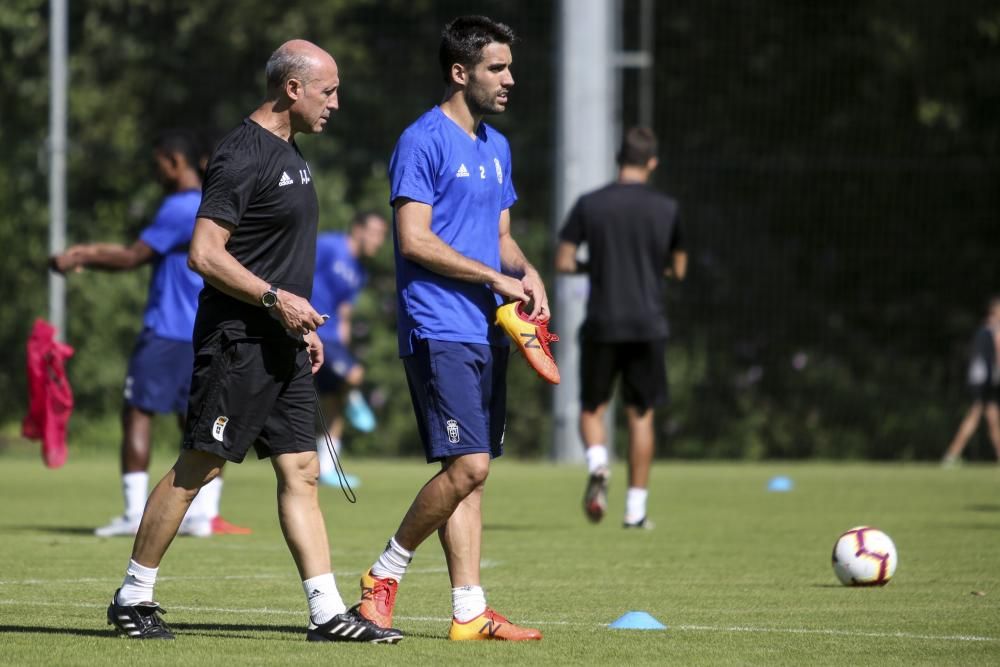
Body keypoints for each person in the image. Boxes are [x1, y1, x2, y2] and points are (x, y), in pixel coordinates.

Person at [104, 39, 402, 644]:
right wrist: (274, 300)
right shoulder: (243, 154)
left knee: (301, 470)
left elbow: (277, 254)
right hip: (238, 342)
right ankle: (133, 596)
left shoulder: (291, 150)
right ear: (292, 89)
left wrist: (302, 325)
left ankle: (326, 613)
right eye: (329, 91)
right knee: (199, 466)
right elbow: (203, 254)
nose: (336, 104)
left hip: (282, 345)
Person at [352, 16, 547, 642]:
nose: (510, 79)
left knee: (475, 472)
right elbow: (413, 239)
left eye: (510, 67)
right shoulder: (422, 139)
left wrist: (528, 273)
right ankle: (384, 575)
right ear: (461, 72)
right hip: (439, 326)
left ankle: (469, 611)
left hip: (489, 330)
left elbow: (501, 239)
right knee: (468, 468)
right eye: (498, 68)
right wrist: (494, 280)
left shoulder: (497, 145)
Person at [50, 129, 250, 538]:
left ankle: (132, 513)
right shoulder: (215, 207)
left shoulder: (180, 207)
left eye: (159, 162)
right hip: (203, 331)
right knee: (196, 420)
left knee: (138, 411)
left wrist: (81, 255)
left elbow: (131, 257)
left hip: (166, 332)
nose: (156, 170)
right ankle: (202, 514)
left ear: (175, 162)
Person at [555, 126, 687, 529]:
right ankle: (636, 510)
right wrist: (653, 268)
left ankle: (597, 462)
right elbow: (678, 268)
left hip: (603, 321)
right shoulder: (666, 208)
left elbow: (562, 261)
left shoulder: (590, 204)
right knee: (641, 416)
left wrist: (596, 266)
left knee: (592, 408)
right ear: (652, 163)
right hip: (648, 323)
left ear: (618, 159)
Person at [312, 211, 389, 488]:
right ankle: (356, 397)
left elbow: (344, 312)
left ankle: (328, 469)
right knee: (354, 375)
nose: (379, 241)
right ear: (357, 229)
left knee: (333, 402)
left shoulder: (360, 272)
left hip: (332, 338)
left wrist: (344, 349)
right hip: (311, 329)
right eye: (376, 233)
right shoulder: (329, 245)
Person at [941, 296, 1000, 466]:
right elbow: (985, 361)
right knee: (975, 417)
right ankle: (951, 455)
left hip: (990, 382)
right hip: (982, 382)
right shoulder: (985, 332)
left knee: (994, 420)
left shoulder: (994, 331)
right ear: (994, 311)